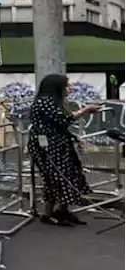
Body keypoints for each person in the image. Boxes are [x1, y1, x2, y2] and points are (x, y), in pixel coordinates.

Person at [28, 73, 100, 226]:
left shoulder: (54, 102)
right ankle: (48, 214)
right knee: (55, 178)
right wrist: (85, 111)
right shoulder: (44, 102)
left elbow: (58, 125)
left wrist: (73, 136)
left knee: (70, 174)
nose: (70, 88)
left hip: (59, 144)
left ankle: (62, 210)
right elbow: (63, 119)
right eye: (67, 85)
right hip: (47, 147)